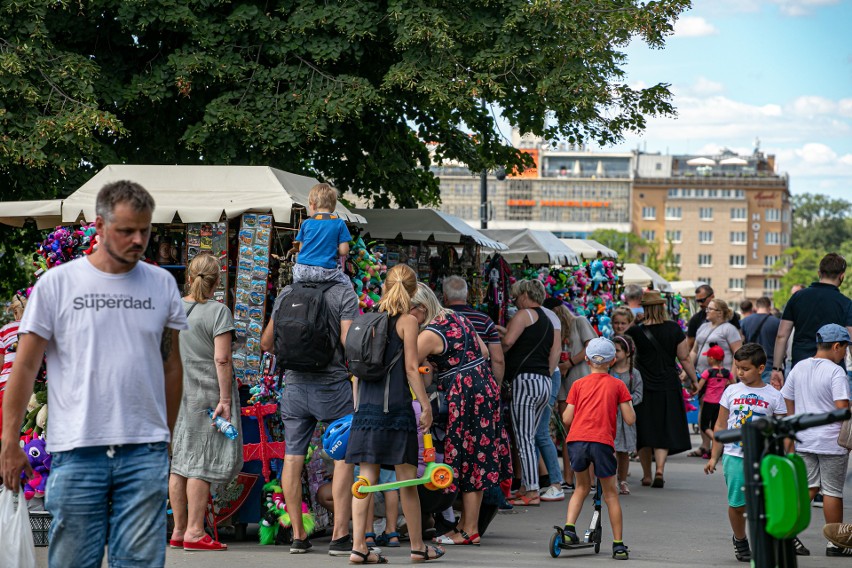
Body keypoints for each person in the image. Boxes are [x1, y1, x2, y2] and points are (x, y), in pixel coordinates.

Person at [0, 181, 188, 568]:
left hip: (144, 450)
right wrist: (9, 441)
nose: (138, 240)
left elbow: (172, 364)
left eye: (145, 230)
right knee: (73, 561)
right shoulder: (57, 285)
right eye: (126, 230)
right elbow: (26, 365)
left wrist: (165, 435)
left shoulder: (162, 285)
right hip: (77, 449)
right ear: (100, 227)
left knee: (138, 562)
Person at [260, 254, 359, 556]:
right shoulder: (344, 293)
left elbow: (266, 342)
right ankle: (341, 534)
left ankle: (298, 535)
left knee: (293, 457)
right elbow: (348, 343)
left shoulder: (288, 293)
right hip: (332, 386)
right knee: (343, 456)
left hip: (295, 387)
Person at [346, 265, 444, 563]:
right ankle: (417, 547)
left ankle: (359, 548)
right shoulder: (407, 323)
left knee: (364, 482)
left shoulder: (365, 319)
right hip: (397, 410)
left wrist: (358, 407)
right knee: (406, 482)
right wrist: (425, 406)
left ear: (384, 287)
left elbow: (354, 374)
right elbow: (412, 369)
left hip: (367, 411)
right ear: (413, 292)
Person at [415, 283, 510, 546]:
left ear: (421, 308)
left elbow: (408, 367)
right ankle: (467, 526)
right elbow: (482, 351)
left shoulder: (429, 334)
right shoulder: (458, 317)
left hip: (463, 394)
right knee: (476, 459)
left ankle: (469, 530)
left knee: (467, 460)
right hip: (483, 386)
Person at [168, 254, 242, 551]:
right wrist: (225, 399)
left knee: (180, 463)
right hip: (207, 393)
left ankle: (179, 530)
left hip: (177, 393)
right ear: (217, 280)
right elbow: (222, 359)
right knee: (199, 462)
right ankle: (196, 533)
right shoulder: (218, 312)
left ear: (189, 277)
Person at [704, 343, 788, 563]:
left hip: (765, 458)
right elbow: (721, 426)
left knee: (768, 503)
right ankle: (740, 539)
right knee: (738, 503)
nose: (740, 372)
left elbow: (782, 431)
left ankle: (768, 541)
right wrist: (714, 456)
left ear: (761, 368)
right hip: (735, 456)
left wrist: (785, 456)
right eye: (737, 367)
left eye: (745, 368)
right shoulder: (731, 391)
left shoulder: (774, 396)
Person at [780, 324, 852, 558]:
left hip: (804, 439)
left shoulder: (799, 367)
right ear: (836, 346)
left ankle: (789, 534)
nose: (844, 354)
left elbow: (787, 400)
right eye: (845, 349)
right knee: (832, 490)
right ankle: (835, 543)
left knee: (807, 488)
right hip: (832, 441)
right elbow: (842, 408)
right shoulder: (835, 371)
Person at [560, 337, 635, 560]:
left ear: (586, 359)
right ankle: (618, 544)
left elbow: (566, 418)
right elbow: (630, 419)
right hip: (602, 442)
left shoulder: (578, 385)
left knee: (581, 487)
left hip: (577, 440)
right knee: (611, 493)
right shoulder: (618, 385)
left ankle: (569, 530)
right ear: (612, 361)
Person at [626, 290, 698, 488]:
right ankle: (659, 470)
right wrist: (694, 380)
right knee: (663, 428)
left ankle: (647, 475)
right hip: (668, 384)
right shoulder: (674, 329)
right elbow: (684, 358)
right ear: (662, 307)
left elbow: (625, 352)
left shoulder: (635, 332)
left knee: (645, 429)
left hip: (643, 386)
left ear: (644, 308)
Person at [501, 279, 560, 507]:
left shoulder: (524, 315)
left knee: (523, 437)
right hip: (543, 380)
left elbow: (508, 342)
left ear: (525, 295)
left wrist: (495, 352)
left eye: (516, 298)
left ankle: (532, 491)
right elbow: (551, 349)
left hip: (525, 380)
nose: (515, 303)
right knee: (530, 434)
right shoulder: (547, 318)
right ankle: (527, 485)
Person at [772, 253, 852, 388]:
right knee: (833, 408)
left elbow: (782, 335)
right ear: (842, 276)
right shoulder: (845, 303)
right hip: (833, 370)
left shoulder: (797, 298)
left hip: (800, 368)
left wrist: (777, 368)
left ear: (819, 273)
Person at [690, 298, 742, 457]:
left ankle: (717, 445)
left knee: (719, 411)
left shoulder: (729, 329)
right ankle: (705, 445)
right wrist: (688, 371)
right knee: (704, 408)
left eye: (710, 309)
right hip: (703, 374)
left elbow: (737, 353)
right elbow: (694, 350)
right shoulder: (703, 327)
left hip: (721, 377)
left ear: (720, 313)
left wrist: (731, 376)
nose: (706, 311)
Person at [555, 300, 597, 490]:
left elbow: (591, 347)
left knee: (588, 432)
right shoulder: (555, 329)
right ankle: (568, 478)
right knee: (568, 432)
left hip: (583, 383)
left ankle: (591, 479)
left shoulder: (579, 321)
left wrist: (569, 363)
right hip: (564, 387)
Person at [442, 275, 504, 384]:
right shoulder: (484, 320)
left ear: (445, 297)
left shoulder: (439, 321)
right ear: (467, 295)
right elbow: (498, 360)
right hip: (481, 384)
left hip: (449, 385)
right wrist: (496, 387)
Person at [290, 182, 351, 286]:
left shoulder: (306, 223)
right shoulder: (339, 223)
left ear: (313, 205)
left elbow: (301, 248)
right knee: (347, 285)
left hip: (301, 271)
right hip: (325, 271)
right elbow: (344, 251)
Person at [610, 335, 643, 495]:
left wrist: (625, 402)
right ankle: (612, 479)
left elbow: (639, 394)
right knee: (611, 450)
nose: (614, 354)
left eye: (617, 350)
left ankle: (623, 480)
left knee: (623, 451)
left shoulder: (634, 374)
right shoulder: (608, 371)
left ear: (627, 353)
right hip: (610, 416)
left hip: (625, 417)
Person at [693, 346, 735, 459]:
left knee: (704, 425)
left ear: (711, 359)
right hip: (720, 403)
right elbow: (734, 384)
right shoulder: (727, 373)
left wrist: (693, 391)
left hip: (708, 402)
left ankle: (718, 440)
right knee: (714, 426)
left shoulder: (708, 372)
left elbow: (699, 386)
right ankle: (716, 446)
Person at [0, 293, 26, 433]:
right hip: (33, 388)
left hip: (7, 387)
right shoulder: (42, 327)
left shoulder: (5, 330)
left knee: (6, 434)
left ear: (15, 311)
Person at [687, 285, 741, 351]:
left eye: (702, 300)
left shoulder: (730, 315)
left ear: (712, 296)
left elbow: (739, 337)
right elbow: (690, 346)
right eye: (698, 301)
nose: (700, 304)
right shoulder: (695, 319)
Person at [740, 297, 780, 384]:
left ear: (756, 307)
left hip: (749, 365)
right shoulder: (777, 322)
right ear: (769, 307)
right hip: (769, 365)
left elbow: (740, 342)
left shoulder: (744, 321)